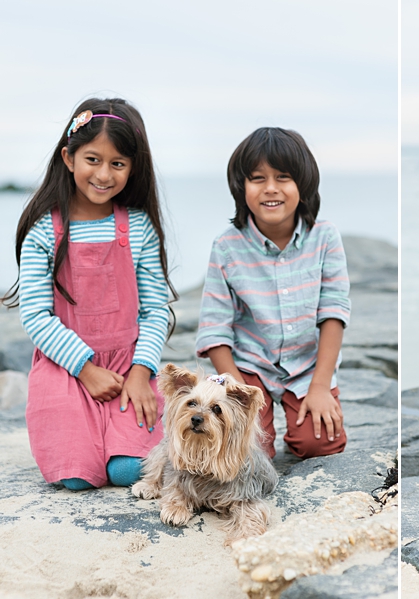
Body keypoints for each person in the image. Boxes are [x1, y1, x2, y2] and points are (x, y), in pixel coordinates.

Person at [2, 98, 176, 490]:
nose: (103, 173)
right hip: (67, 369)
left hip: (129, 368)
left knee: (128, 471)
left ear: (133, 168)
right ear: (69, 157)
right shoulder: (44, 230)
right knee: (77, 476)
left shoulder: (138, 228)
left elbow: (153, 311)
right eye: (92, 159)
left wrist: (140, 372)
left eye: (117, 163)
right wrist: (85, 369)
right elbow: (35, 315)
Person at [196, 127, 350, 460]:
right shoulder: (226, 246)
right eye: (257, 178)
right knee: (248, 451)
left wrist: (321, 386)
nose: (270, 189)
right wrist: (235, 390)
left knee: (320, 444)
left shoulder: (325, 238)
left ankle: (300, 421)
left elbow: (333, 313)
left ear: (303, 184)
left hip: (308, 367)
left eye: (283, 177)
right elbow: (215, 328)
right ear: (242, 186)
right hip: (249, 365)